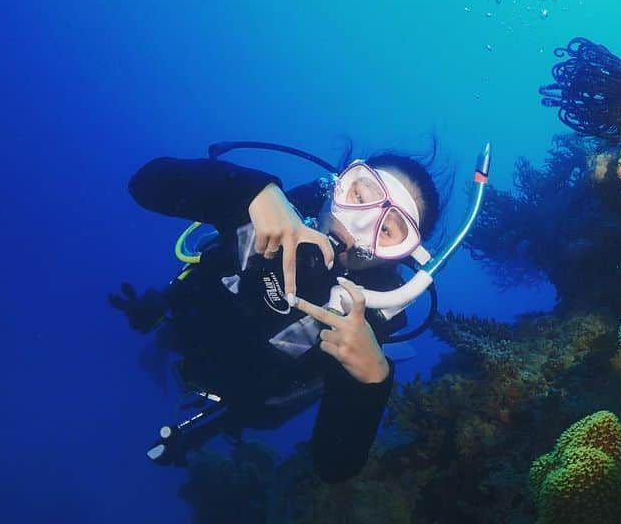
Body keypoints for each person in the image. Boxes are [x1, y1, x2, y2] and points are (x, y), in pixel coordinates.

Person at [109, 148, 444, 483]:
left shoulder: (368, 318)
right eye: (360, 194)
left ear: (400, 256)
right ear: (338, 183)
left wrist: (372, 382)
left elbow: (334, 466)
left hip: (238, 393)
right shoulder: (269, 206)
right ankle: (157, 331)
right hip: (190, 317)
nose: (357, 224)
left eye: (387, 231)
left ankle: (201, 428)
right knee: (164, 336)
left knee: (233, 413)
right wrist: (252, 191)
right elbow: (145, 183)